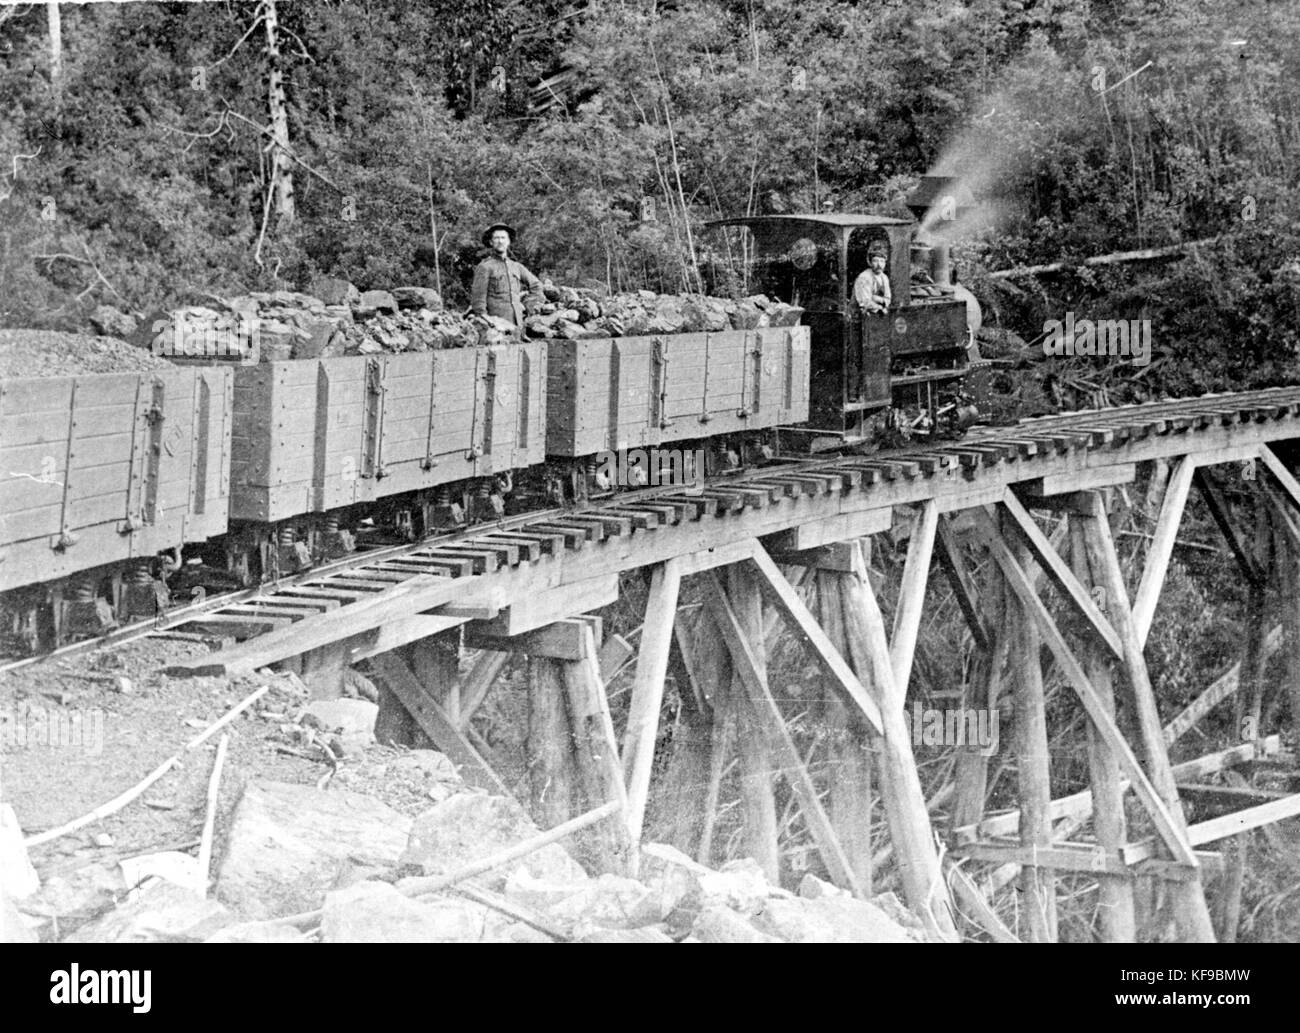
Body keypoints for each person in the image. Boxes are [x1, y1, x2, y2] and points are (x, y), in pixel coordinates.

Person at [470, 223, 543, 329]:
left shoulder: (516, 267)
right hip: (496, 328)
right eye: (496, 238)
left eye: (503, 238)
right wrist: (488, 323)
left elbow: (537, 286)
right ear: (491, 242)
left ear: (508, 242)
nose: (500, 241)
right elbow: (478, 302)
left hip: (517, 325)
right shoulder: (485, 267)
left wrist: (528, 305)